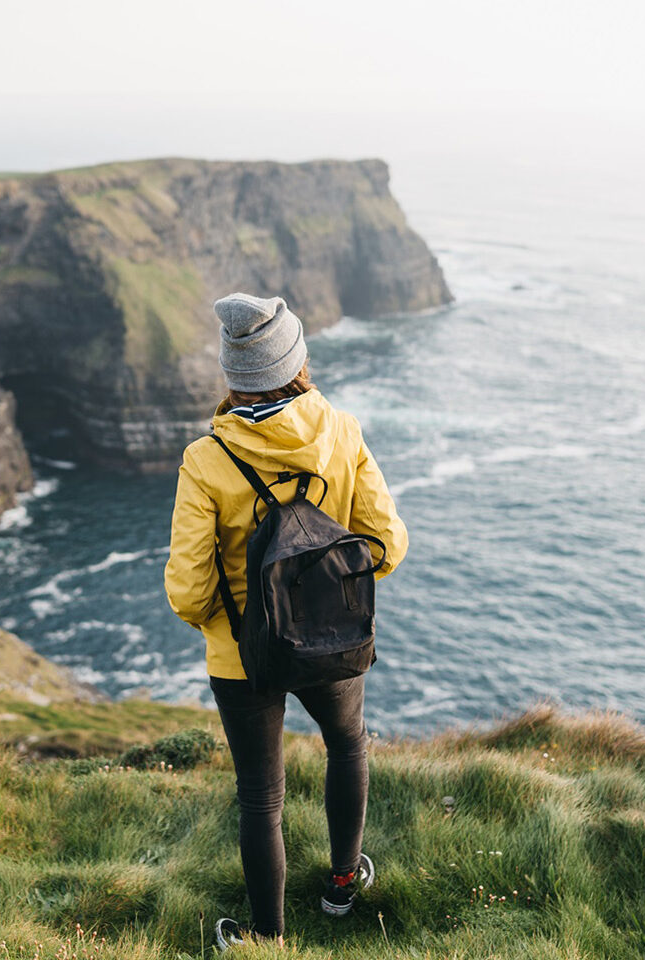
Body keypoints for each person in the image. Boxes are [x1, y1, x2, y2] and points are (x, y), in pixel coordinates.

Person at [165, 292, 409, 950]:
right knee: (349, 744)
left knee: (261, 798)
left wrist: (236, 624)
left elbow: (189, 589)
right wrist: (325, 594)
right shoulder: (340, 429)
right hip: (330, 635)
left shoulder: (206, 460)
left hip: (243, 655)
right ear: (297, 359)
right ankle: (340, 887)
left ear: (232, 375)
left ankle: (268, 941)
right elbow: (387, 544)